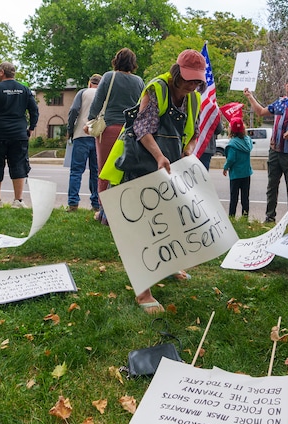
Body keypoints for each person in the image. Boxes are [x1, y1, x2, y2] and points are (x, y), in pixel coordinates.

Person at [117, 49, 206, 314]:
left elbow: (194, 132)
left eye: (197, 80)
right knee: (143, 228)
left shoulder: (194, 98)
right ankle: (143, 292)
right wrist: (159, 156)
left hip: (170, 167)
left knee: (169, 222)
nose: (192, 85)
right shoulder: (157, 88)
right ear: (177, 72)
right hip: (143, 163)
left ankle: (169, 265)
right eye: (189, 79)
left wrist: (189, 150)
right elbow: (141, 128)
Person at [244, 74, 288, 223]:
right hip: (275, 151)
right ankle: (270, 217)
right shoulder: (281, 102)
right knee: (272, 186)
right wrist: (250, 96)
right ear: (285, 86)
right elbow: (261, 112)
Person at [87, 48, 145, 223]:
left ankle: (104, 213)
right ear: (133, 63)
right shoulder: (139, 81)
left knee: (105, 170)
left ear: (116, 60)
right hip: (130, 131)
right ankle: (124, 211)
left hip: (110, 129)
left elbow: (97, 103)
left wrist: (90, 121)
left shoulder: (109, 77)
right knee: (125, 171)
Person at [0, 62, 39, 208]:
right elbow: (34, 110)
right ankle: (18, 200)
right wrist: (31, 128)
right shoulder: (24, 89)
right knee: (19, 166)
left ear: (2, 72)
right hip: (19, 135)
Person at [66, 73, 102, 212]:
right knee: (96, 172)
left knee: (76, 171)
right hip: (97, 135)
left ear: (90, 83)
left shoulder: (83, 92)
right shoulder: (104, 94)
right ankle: (96, 204)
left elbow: (74, 110)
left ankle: (73, 203)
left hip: (81, 135)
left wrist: (70, 129)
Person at [222, 118, 253, 217]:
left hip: (235, 175)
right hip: (246, 173)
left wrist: (225, 167)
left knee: (234, 197)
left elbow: (231, 159)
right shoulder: (248, 141)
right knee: (245, 197)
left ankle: (232, 216)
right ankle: (245, 216)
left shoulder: (232, 144)